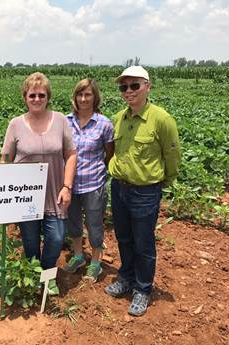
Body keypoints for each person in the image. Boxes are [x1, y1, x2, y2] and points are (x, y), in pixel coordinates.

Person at [105, 66, 181, 316]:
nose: (128, 92)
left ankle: (143, 289)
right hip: (119, 188)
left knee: (144, 243)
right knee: (124, 238)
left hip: (145, 192)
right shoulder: (118, 118)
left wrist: (163, 182)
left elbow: (172, 154)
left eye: (134, 85)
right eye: (124, 87)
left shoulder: (161, 119)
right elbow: (111, 152)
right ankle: (126, 277)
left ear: (148, 86)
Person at [0, 72, 76, 296]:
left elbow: (71, 154)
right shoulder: (15, 124)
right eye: (32, 95)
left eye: (41, 95)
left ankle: (48, 272)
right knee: (30, 240)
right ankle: (34, 275)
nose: (36, 99)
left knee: (55, 237)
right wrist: (4, 192)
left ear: (48, 96)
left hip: (55, 191)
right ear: (25, 97)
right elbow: (5, 158)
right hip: (26, 196)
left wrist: (67, 186)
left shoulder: (60, 120)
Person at [63, 79, 114, 282]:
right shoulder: (65, 122)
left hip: (94, 183)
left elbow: (109, 154)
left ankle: (95, 262)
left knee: (94, 223)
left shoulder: (104, 123)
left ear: (95, 97)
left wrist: (98, 170)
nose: (83, 99)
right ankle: (78, 256)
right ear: (75, 97)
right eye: (80, 94)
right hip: (70, 184)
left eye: (88, 95)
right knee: (73, 222)